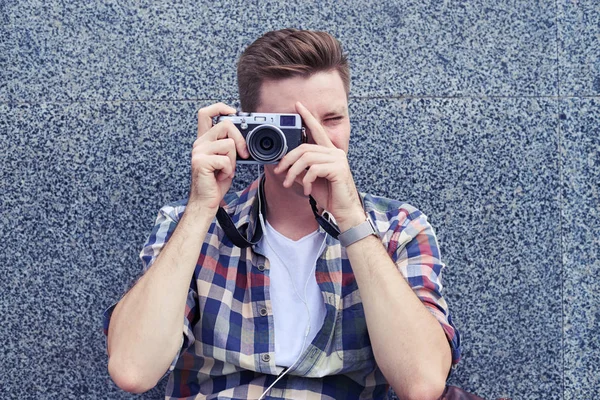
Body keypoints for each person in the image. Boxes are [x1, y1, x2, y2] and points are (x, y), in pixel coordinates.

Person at [104, 28, 461, 400]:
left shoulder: (399, 229)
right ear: (248, 131)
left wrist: (352, 220)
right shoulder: (190, 226)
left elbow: (422, 385)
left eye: (332, 119)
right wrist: (200, 209)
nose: (313, 140)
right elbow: (132, 370)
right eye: (288, 125)